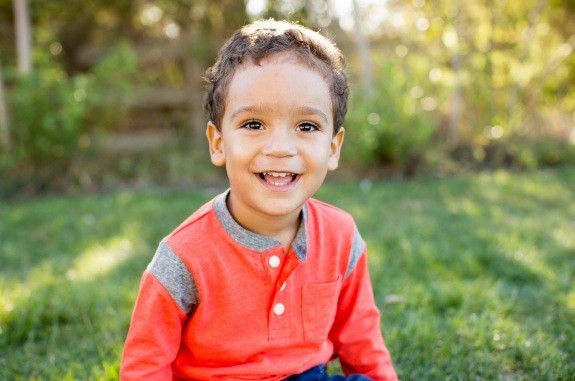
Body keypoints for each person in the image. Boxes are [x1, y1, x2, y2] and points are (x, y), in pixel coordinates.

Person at [120, 19, 398, 381]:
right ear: (218, 143)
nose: (280, 148)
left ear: (333, 148)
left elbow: (361, 338)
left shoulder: (341, 236)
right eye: (253, 124)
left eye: (307, 126)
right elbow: (146, 364)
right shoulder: (182, 256)